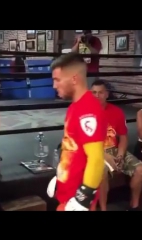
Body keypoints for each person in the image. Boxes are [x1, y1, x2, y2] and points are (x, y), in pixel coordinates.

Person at [47, 52, 106, 211]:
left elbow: (96, 159)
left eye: (57, 80)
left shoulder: (88, 109)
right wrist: (61, 177)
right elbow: (74, 149)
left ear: (74, 79)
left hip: (77, 198)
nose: (54, 86)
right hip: (68, 194)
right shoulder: (75, 107)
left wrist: (83, 198)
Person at [91, 80, 142, 211]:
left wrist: (120, 155)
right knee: (102, 171)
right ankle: (103, 208)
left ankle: (134, 205)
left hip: (113, 149)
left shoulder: (116, 112)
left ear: (107, 94)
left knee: (140, 169)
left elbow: (123, 137)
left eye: (100, 92)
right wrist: (105, 156)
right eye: (94, 93)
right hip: (94, 152)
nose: (97, 96)